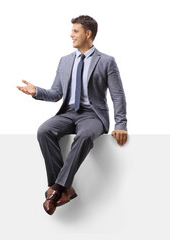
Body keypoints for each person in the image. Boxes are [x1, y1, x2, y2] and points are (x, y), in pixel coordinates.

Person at [17, 15, 128, 215]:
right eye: (72, 31)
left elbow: (117, 95)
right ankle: (64, 188)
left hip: (92, 115)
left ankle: (56, 189)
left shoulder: (107, 61)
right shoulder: (65, 61)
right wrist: (36, 91)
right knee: (44, 130)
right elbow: (56, 94)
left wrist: (121, 124)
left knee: (84, 136)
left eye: (75, 31)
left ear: (88, 33)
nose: (71, 35)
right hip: (68, 113)